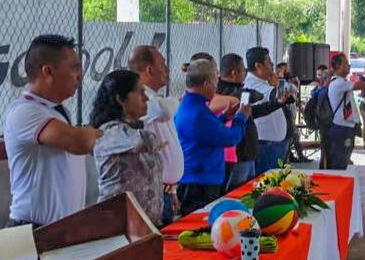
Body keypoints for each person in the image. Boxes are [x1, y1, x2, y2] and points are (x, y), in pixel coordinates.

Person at [4, 35, 102, 227]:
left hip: (59, 226)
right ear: (48, 71)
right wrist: (98, 132)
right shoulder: (25, 111)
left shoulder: (57, 110)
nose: (80, 75)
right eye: (74, 68)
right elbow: (80, 143)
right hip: (33, 228)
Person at [175, 60, 250, 215]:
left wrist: (223, 117)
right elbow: (230, 138)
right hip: (200, 181)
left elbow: (204, 133)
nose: (217, 87)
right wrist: (241, 117)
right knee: (200, 225)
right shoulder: (198, 114)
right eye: (216, 82)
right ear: (207, 83)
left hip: (199, 177)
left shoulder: (191, 106)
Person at [90, 69, 164, 225]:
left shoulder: (132, 129)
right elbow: (143, 141)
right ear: (120, 99)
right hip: (118, 227)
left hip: (143, 226)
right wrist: (156, 142)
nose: (146, 99)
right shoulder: (109, 131)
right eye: (140, 92)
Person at [130, 45, 184, 224]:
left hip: (166, 190)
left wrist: (173, 188)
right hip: (151, 191)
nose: (167, 69)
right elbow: (164, 109)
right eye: (163, 64)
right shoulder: (140, 99)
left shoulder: (156, 98)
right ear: (149, 69)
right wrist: (179, 100)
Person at [244, 47, 295, 175]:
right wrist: (279, 82)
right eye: (269, 62)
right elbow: (285, 96)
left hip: (274, 144)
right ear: (258, 66)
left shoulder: (263, 82)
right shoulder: (253, 84)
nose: (272, 65)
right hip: (267, 146)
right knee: (268, 187)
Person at [217, 53, 259, 191]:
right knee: (236, 195)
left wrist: (277, 103)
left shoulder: (239, 91)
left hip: (247, 153)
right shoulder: (224, 93)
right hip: (237, 155)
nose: (245, 74)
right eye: (243, 71)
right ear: (234, 73)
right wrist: (246, 94)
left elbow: (254, 109)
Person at [325, 53, 365, 169]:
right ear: (338, 66)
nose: (349, 66)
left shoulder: (341, 82)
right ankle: (335, 184)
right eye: (346, 63)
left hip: (345, 126)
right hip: (341, 128)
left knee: (343, 161)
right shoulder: (338, 83)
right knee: (339, 161)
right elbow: (360, 85)